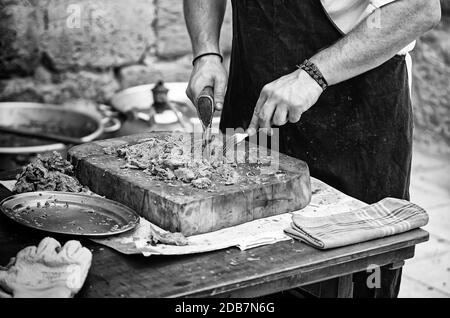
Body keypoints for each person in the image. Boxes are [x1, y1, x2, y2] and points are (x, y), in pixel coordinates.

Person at [184, 0, 441, 298]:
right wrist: (206, 54)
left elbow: (421, 8)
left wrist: (313, 75)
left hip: (354, 128)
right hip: (252, 115)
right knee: (241, 278)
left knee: (346, 276)